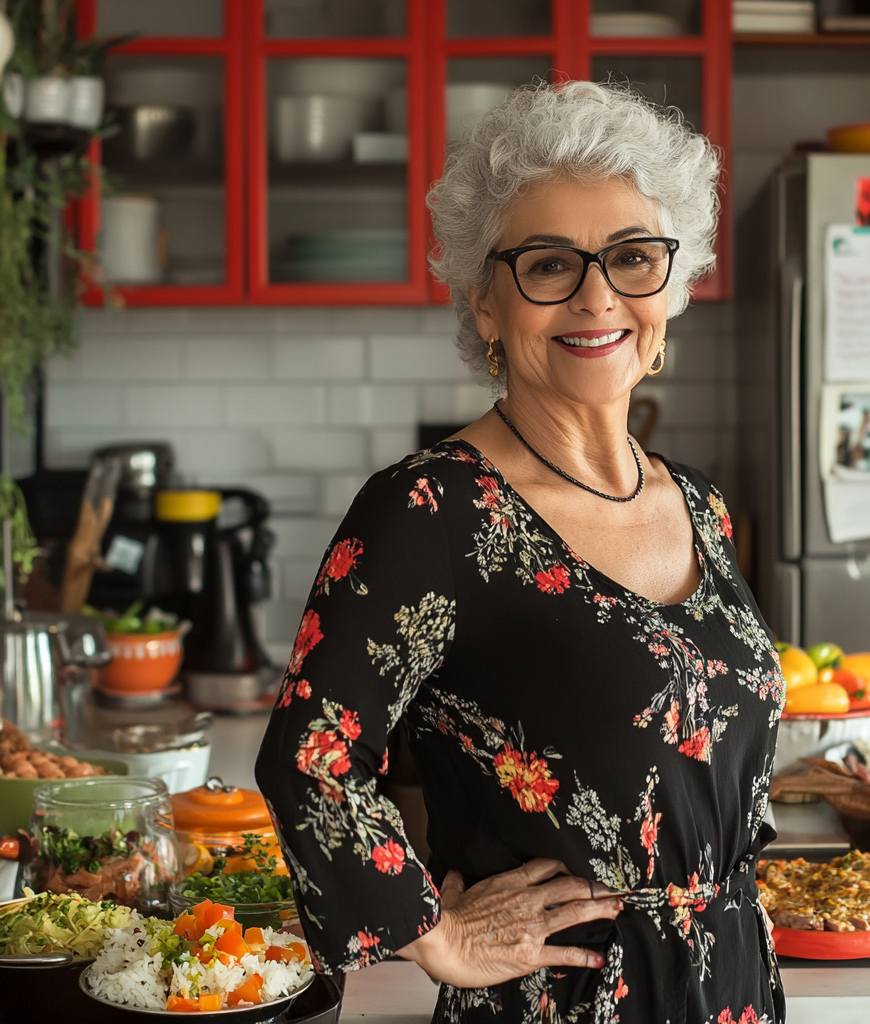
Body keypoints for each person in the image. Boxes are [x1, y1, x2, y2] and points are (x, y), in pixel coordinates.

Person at [256, 81, 785, 1024]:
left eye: (632, 258)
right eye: (548, 264)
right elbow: (311, 756)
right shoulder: (431, 510)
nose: (596, 296)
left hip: (731, 987)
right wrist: (436, 934)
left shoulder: (698, 502)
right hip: (563, 1002)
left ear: (674, 282)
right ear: (486, 303)